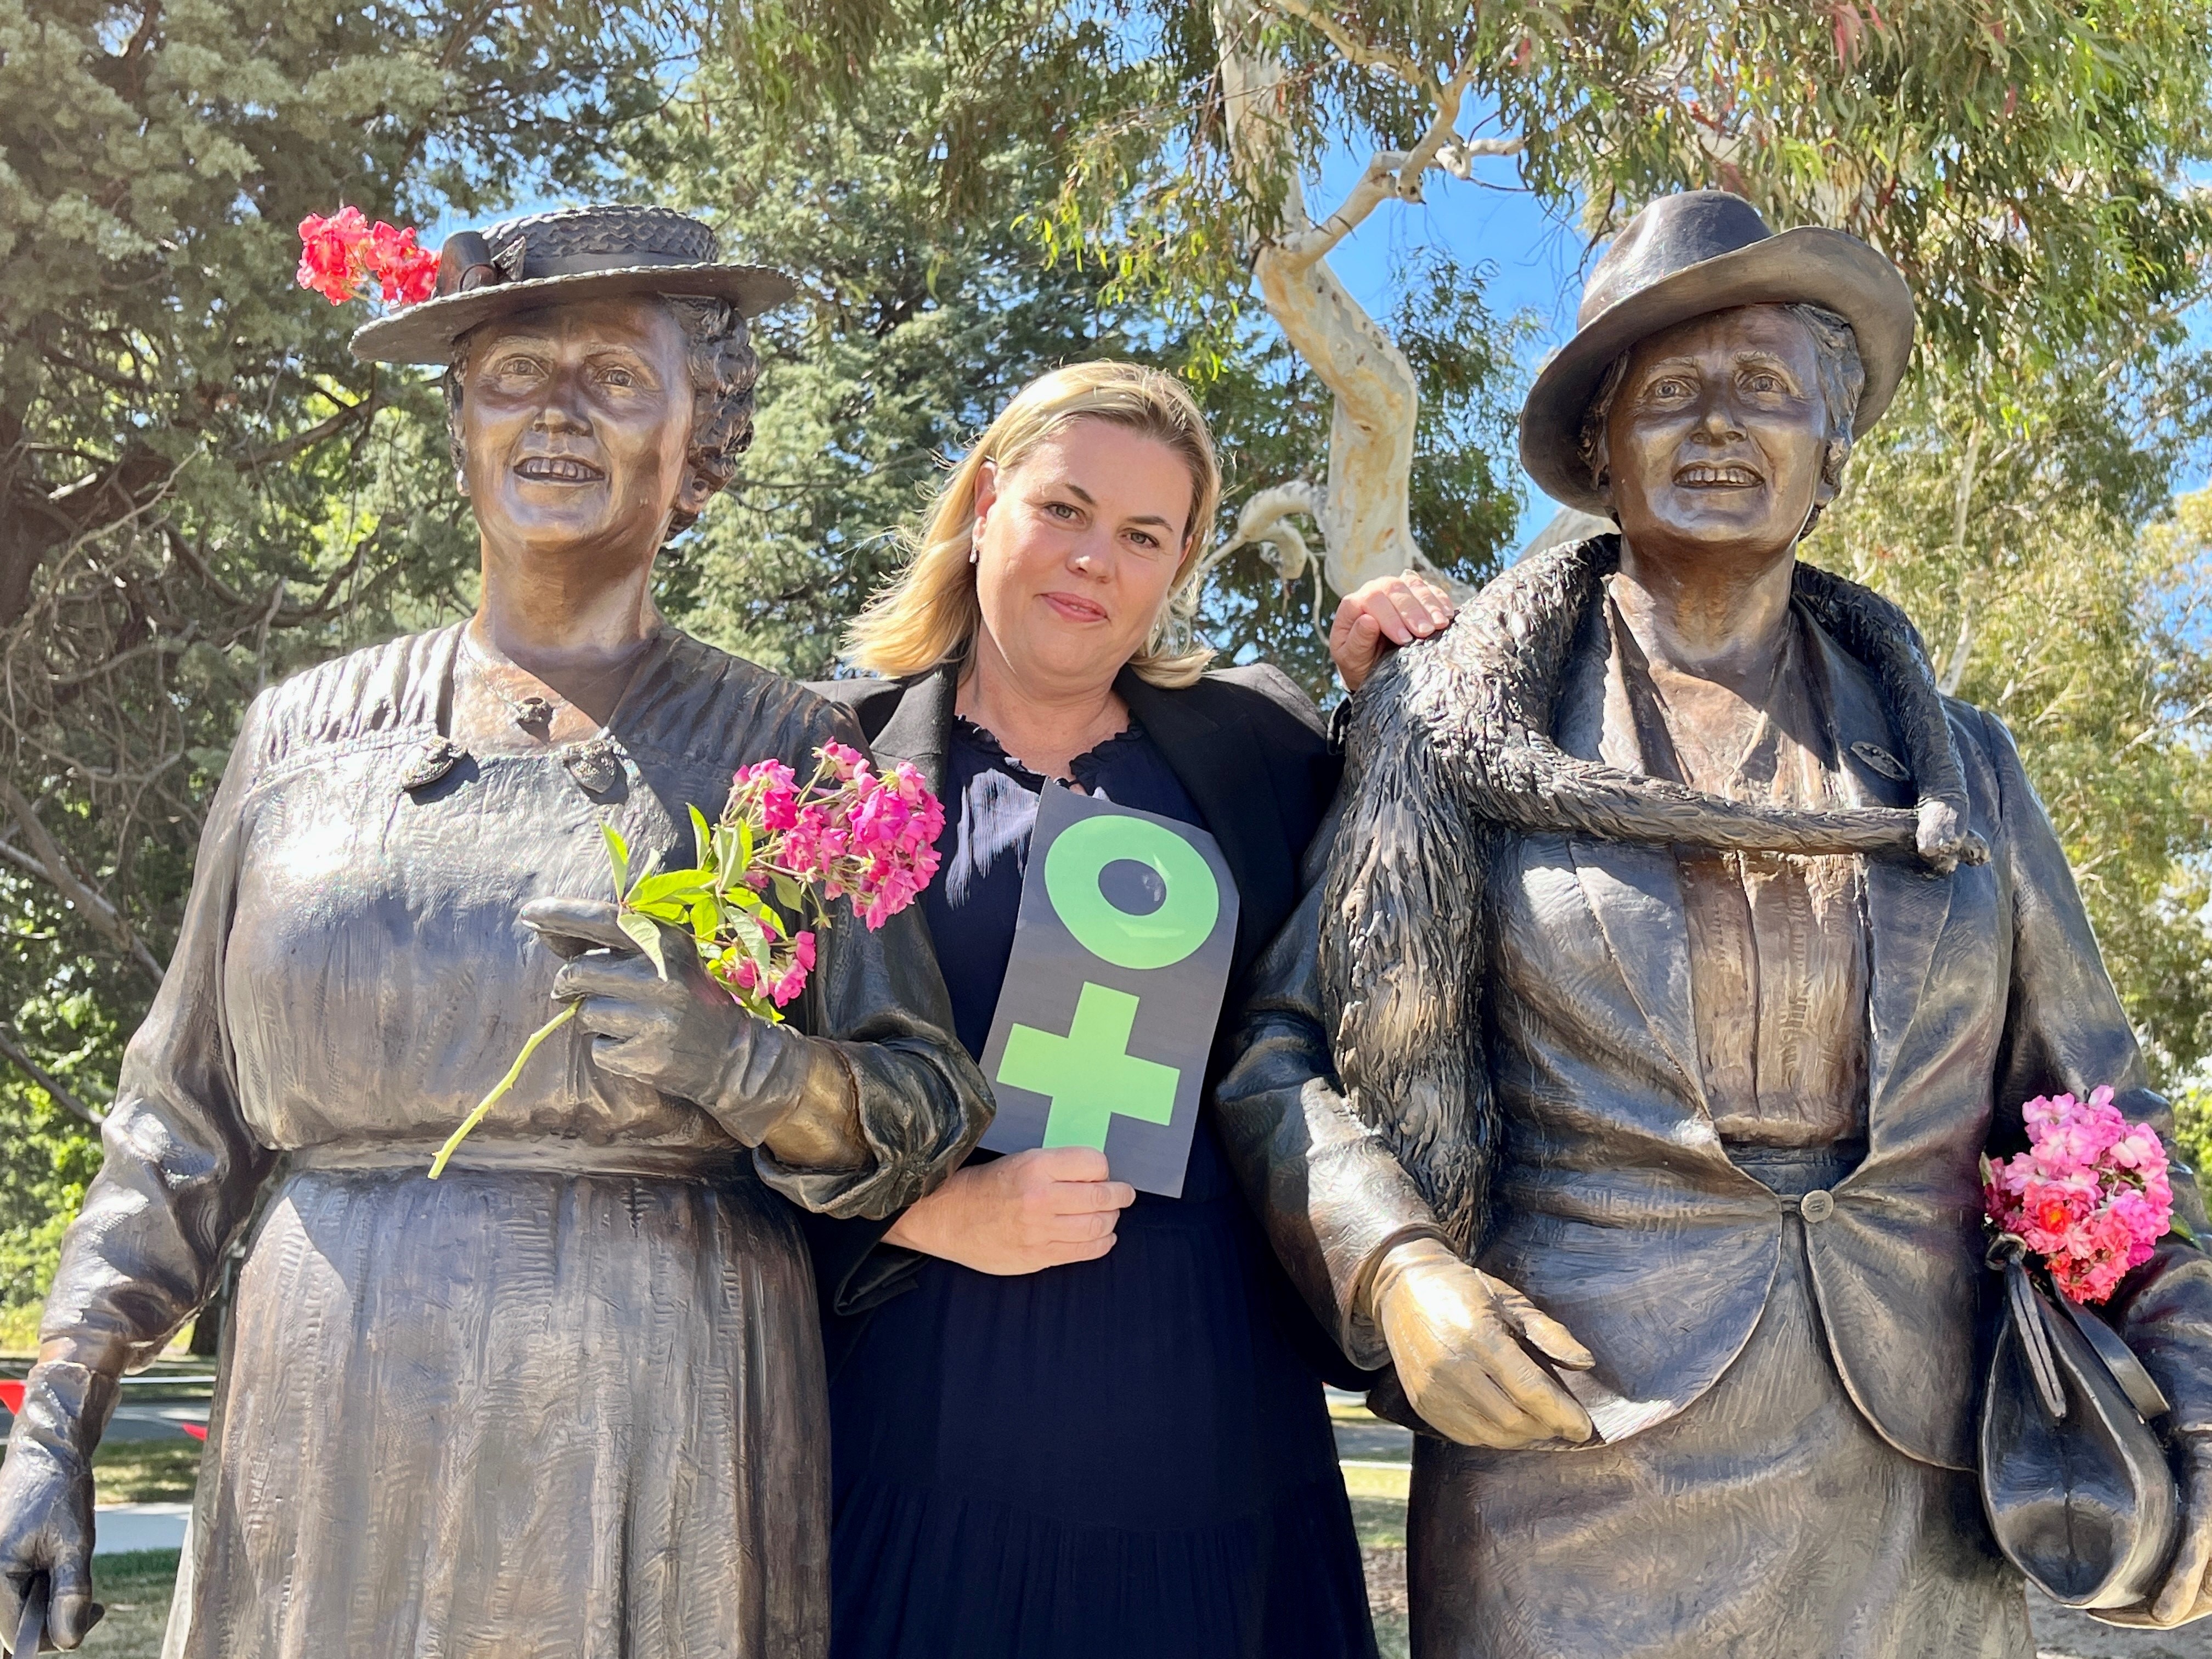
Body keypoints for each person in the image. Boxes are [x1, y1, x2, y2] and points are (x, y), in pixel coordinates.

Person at [1214, 190, 2212, 1657]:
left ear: (1834, 452)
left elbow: (2099, 1109)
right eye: (1670, 395)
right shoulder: (1453, 732)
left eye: (1765, 391)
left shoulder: (1966, 767)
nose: (1719, 428)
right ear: (1600, 455)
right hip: (1565, 1445)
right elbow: (1282, 1048)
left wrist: (2194, 1378)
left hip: (1914, 1469)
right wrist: (1397, 1267)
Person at [0, 205, 992, 1659]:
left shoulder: (793, 751)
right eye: (515, 377)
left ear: (697, 439)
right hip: (324, 1425)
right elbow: (177, 1123)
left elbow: (926, 1103)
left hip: (657, 1422)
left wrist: (749, 1070)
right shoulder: (298, 736)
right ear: (459, 421)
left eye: (614, 377)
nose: (557, 416)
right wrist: (60, 1414)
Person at [804, 360, 1455, 1659]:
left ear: (1179, 569)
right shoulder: (824, 760)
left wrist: (1389, 682)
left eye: (1143, 536)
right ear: (986, 503)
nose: (1094, 559)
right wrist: (936, 1209)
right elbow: (735, 1087)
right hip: (928, 1413)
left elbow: (1403, 922)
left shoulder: (1262, 754)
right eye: (1064, 508)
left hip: (1212, 1426)